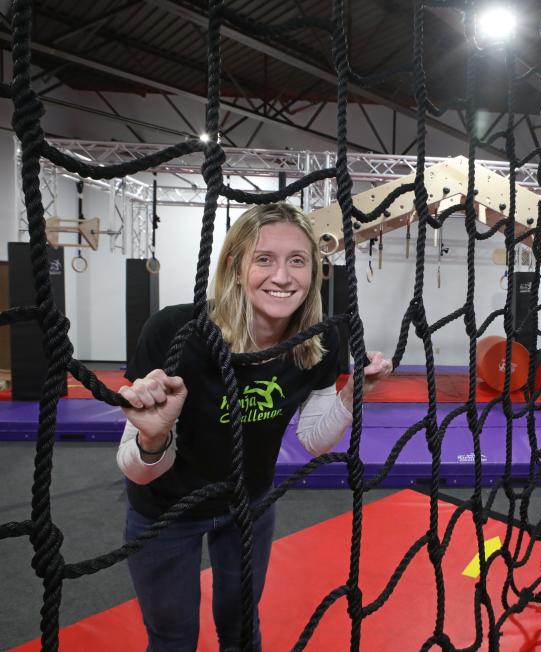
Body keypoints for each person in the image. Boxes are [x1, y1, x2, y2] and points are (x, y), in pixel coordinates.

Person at [116, 202, 391, 651]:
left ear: (314, 272)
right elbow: (137, 469)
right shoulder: (176, 331)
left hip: (249, 504)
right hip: (166, 511)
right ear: (235, 267)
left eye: (297, 261)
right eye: (264, 259)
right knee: (172, 638)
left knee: (242, 629)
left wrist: (349, 397)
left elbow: (313, 440)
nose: (282, 277)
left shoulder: (319, 340)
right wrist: (153, 435)